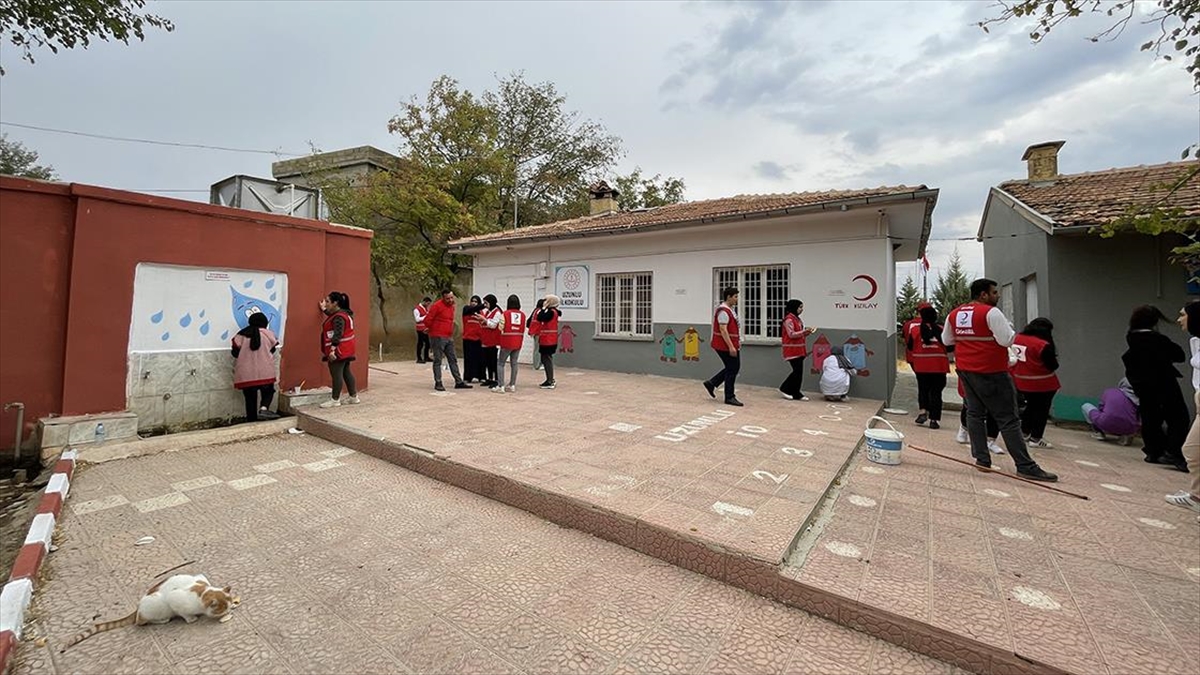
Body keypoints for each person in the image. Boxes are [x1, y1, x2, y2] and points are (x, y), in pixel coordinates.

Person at [942, 278, 1057, 481]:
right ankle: (1025, 465)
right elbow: (1006, 339)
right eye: (994, 292)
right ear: (983, 294)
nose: (997, 296)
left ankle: (982, 459)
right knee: (1008, 418)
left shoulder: (955, 313)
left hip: (966, 371)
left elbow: (947, 340)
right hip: (991, 372)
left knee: (975, 414)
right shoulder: (991, 313)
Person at [1122, 305, 1189, 472]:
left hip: (1143, 385)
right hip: (1164, 382)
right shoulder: (1158, 340)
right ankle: (1173, 451)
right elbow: (1179, 355)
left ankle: (1153, 451)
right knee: (1178, 417)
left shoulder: (1131, 338)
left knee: (1151, 417)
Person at [1166, 300, 1200, 511]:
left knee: (1192, 450)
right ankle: (1196, 497)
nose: (1179, 319)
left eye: (1183, 314)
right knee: (1192, 450)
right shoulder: (1197, 341)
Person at [1011, 317, 1061, 448]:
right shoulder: (1043, 345)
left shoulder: (1017, 338)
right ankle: (1036, 437)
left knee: (1031, 407)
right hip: (1043, 383)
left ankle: (1024, 432)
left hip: (1022, 381)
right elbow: (1053, 365)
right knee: (1042, 410)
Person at [231, 311, 279, 421]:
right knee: (268, 391)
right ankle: (263, 408)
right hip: (265, 371)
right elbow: (273, 350)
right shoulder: (269, 334)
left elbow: (234, 353)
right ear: (265, 323)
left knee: (250, 398)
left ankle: (251, 421)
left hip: (246, 373)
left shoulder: (241, 335)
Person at [908, 305, 950, 429]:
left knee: (923, 390)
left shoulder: (915, 330)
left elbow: (910, 346)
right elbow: (949, 347)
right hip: (939, 366)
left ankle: (922, 412)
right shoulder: (942, 330)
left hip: (921, 366)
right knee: (936, 393)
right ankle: (934, 420)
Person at [425, 289, 472, 392]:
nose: (450, 300)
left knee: (453, 359)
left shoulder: (452, 306)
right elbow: (428, 320)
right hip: (438, 336)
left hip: (448, 336)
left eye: (452, 297)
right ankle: (438, 382)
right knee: (438, 360)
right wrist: (431, 329)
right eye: (448, 298)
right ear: (443, 298)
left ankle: (458, 381)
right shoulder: (437, 306)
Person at [319, 291, 360, 408]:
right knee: (346, 372)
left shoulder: (339, 317)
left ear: (335, 303)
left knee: (336, 374)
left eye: (327, 302)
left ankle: (335, 399)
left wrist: (332, 350)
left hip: (339, 350)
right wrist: (324, 310)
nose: (325, 303)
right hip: (347, 349)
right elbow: (333, 318)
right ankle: (353, 397)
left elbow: (338, 333)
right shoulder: (344, 314)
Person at [703, 287, 743, 407]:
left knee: (732, 368)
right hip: (724, 346)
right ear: (729, 297)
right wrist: (731, 347)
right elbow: (723, 330)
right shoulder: (723, 311)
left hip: (729, 344)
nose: (737, 299)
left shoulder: (730, 310)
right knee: (733, 369)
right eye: (735, 296)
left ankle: (712, 383)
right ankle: (729, 396)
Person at [1083, 378, 1140, 445]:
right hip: (1130, 428)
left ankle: (1098, 433)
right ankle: (1126, 436)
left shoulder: (1110, 391)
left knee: (1086, 406)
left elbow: (1101, 408)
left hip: (1105, 423)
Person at [779, 299, 816, 401]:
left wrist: (806, 333)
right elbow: (791, 334)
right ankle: (785, 388)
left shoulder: (797, 319)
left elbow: (799, 334)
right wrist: (803, 332)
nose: (801, 309)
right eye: (800, 307)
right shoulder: (789, 320)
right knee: (797, 372)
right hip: (792, 350)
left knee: (799, 373)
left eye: (802, 307)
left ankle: (796, 392)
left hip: (799, 350)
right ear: (794, 307)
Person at [493, 294, 526, 393]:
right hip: (518, 341)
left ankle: (501, 386)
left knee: (501, 363)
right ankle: (512, 385)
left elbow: (500, 327)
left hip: (507, 341)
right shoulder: (523, 315)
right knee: (514, 363)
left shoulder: (505, 314)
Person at [536, 294, 562, 389]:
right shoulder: (552, 312)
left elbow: (540, 317)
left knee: (547, 359)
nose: (544, 302)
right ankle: (549, 379)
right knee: (545, 358)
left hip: (549, 340)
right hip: (547, 339)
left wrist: (543, 308)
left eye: (546, 300)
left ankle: (550, 380)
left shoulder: (551, 312)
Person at [461, 295, 484, 383]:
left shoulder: (481, 313)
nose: (473, 303)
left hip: (478, 339)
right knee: (468, 359)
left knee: (479, 359)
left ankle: (480, 376)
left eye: (476, 301)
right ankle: (467, 377)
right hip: (468, 338)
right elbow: (471, 309)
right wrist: (483, 305)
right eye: (472, 301)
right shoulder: (466, 310)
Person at [480, 294, 501, 388]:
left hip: (493, 341)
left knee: (493, 361)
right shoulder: (488, 312)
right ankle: (489, 378)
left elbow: (493, 325)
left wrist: (484, 320)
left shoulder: (497, 312)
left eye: (486, 303)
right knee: (487, 361)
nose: (485, 305)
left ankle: (496, 379)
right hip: (486, 340)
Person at [527, 298, 545, 371]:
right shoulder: (539, 311)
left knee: (537, 348)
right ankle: (536, 365)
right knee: (537, 349)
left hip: (535, 332)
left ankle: (537, 364)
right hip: (538, 332)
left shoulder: (536, 310)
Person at [413, 297, 432, 364]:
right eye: (427, 303)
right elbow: (417, 319)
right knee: (420, 343)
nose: (428, 305)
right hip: (420, 329)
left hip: (426, 329)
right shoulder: (417, 309)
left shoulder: (425, 309)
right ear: (424, 302)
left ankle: (426, 357)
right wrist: (426, 317)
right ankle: (419, 358)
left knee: (428, 343)